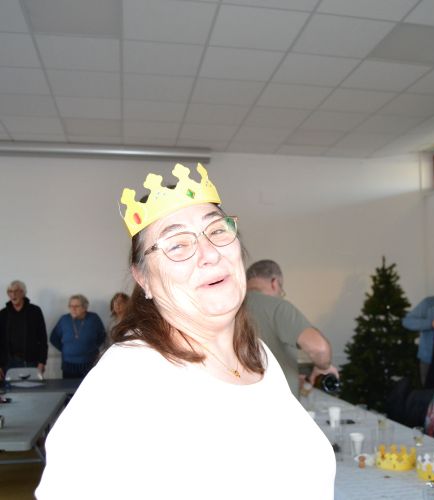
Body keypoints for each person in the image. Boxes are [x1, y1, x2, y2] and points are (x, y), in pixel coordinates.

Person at [36, 163, 335, 500]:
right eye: (176, 244)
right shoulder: (128, 379)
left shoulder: (258, 355)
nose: (210, 253)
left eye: (217, 230)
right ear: (144, 279)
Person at [246, 259, 338, 398]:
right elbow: (319, 348)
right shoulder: (278, 307)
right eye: (281, 290)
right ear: (274, 282)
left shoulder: (228, 309)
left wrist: (293, 379)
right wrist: (323, 368)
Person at [0, 280, 48, 380]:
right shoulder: (3, 314)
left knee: (32, 388)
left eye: (16, 291)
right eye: (10, 291)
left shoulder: (35, 311)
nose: (13, 294)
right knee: (10, 390)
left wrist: (42, 362)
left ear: (23, 293)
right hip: (8, 363)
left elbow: (43, 339)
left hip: (31, 362)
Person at [50, 294, 105, 379]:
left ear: (85, 307)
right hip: (68, 364)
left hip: (89, 363)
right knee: (69, 387)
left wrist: (90, 348)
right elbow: (53, 338)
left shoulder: (93, 318)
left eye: (76, 306)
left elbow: (102, 336)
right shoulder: (64, 319)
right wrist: (66, 349)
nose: (73, 309)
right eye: (70, 306)